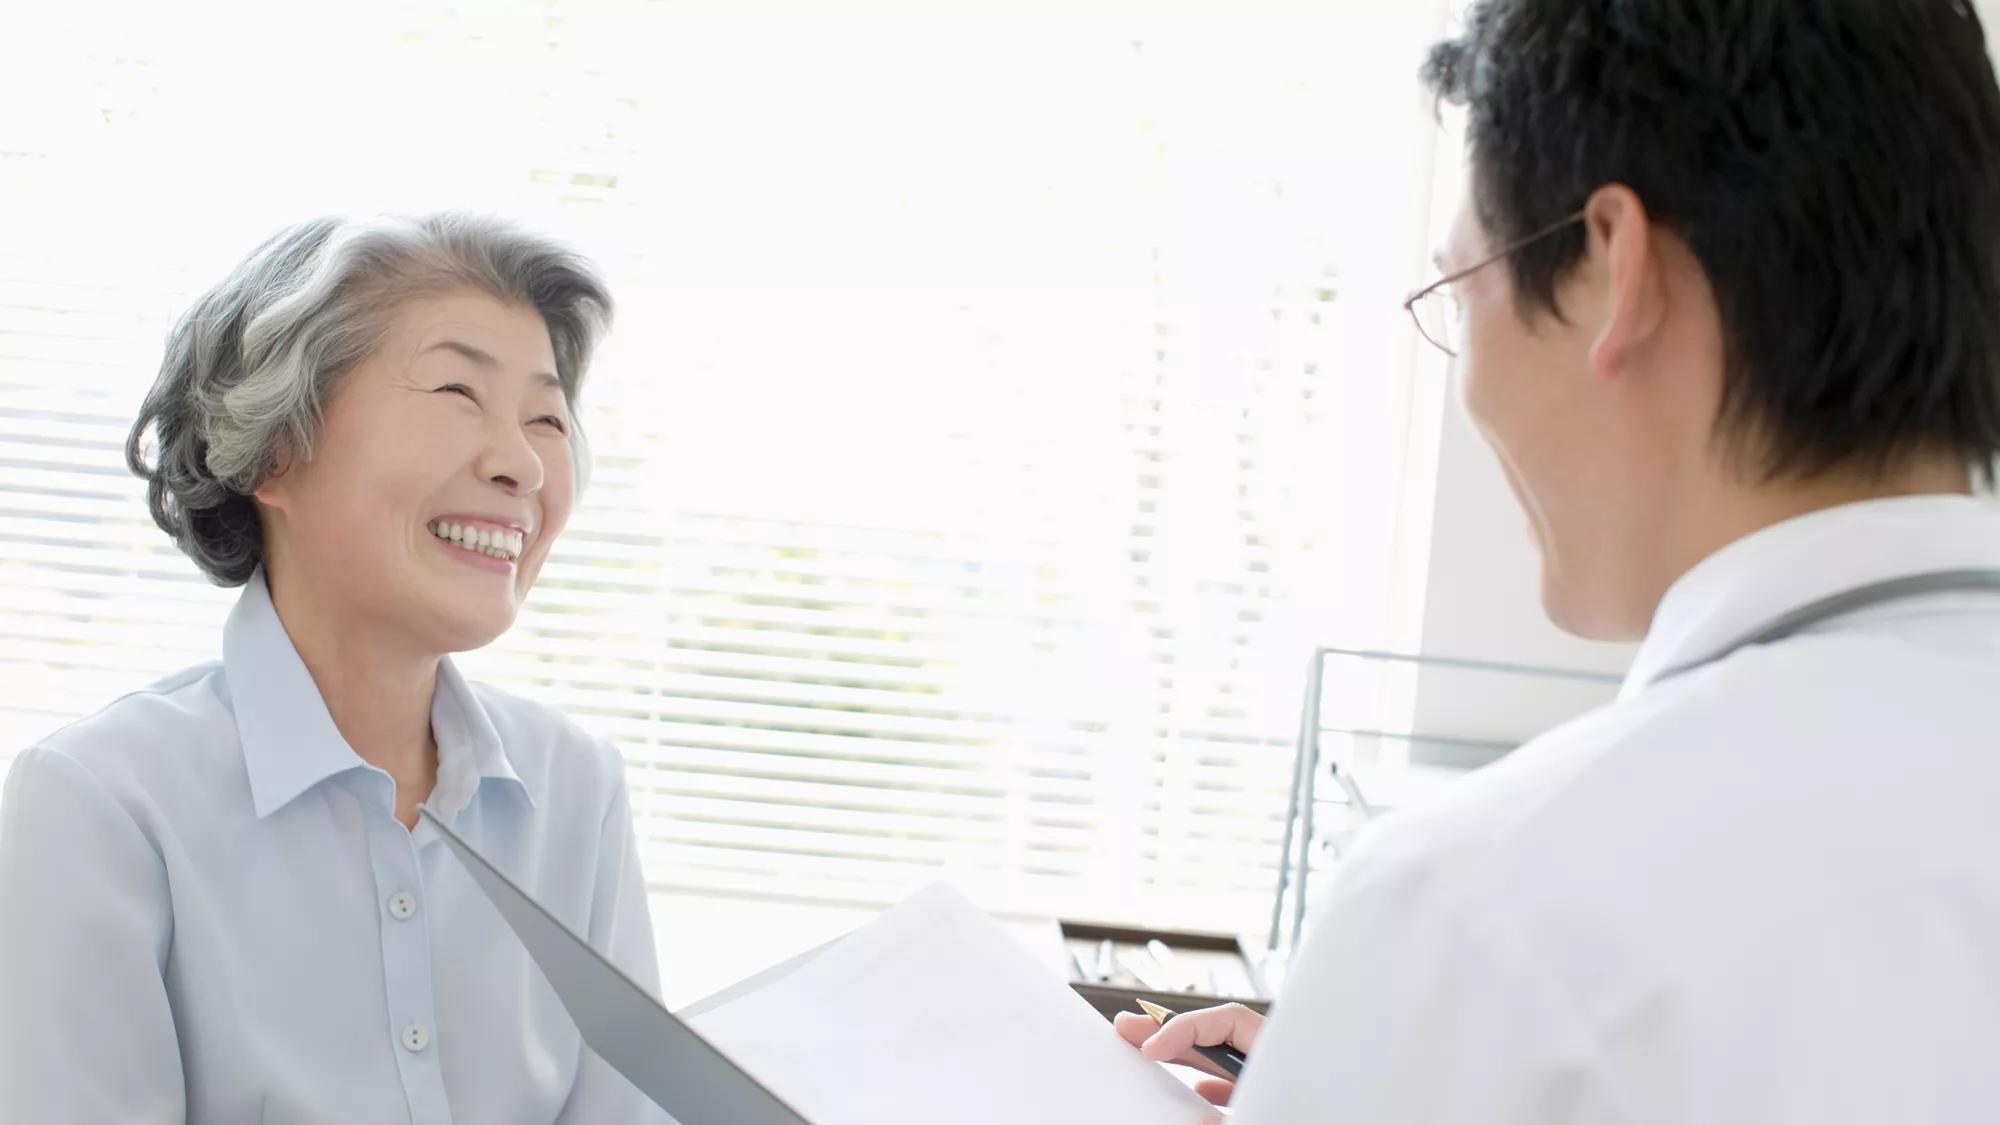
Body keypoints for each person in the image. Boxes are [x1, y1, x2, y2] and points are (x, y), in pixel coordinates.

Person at [1119, 1, 2000, 1121]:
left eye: (1455, 290)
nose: (1466, 371)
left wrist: (1408, 1041)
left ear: (1607, 268)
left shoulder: (1486, 915)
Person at [0, 214, 667, 1123]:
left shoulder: (578, 790)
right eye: (457, 392)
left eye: (546, 416)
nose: (520, 463)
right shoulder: (101, 804)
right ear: (278, 448)